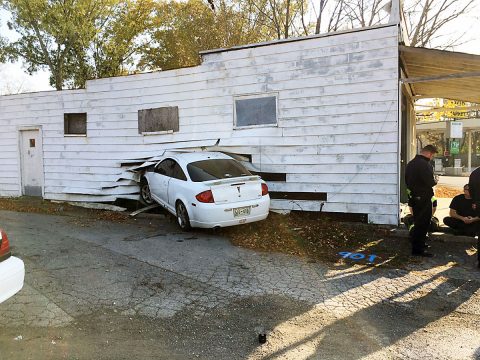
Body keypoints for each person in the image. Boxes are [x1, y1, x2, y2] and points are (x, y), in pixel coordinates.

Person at [405, 145, 438, 257]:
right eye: (432, 155)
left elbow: (407, 180)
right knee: (423, 223)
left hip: (414, 196)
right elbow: (430, 182)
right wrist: (436, 180)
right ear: (429, 153)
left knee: (418, 221)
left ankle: (419, 244)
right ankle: (418, 250)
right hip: (423, 197)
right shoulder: (424, 164)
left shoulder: (411, 163)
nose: (432, 157)